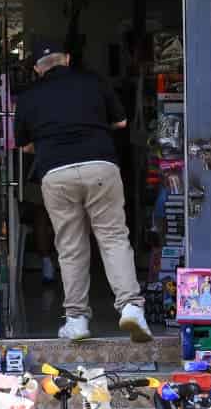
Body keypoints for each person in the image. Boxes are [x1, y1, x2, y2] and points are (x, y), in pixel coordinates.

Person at [14, 39, 151, 343]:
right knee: (113, 237)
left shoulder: (29, 96)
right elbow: (122, 121)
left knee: (70, 246)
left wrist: (51, 138)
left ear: (37, 69)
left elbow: (23, 145)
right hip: (100, 165)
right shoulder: (93, 81)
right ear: (68, 58)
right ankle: (130, 307)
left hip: (56, 172)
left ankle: (76, 319)